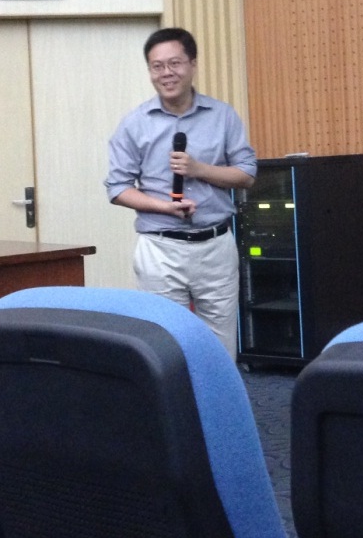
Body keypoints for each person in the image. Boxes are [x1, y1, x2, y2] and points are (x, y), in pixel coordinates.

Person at [105, 27, 256, 358]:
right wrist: (164, 207)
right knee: (165, 341)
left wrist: (199, 169)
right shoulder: (134, 123)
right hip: (160, 247)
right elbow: (117, 188)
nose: (166, 73)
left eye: (174, 63)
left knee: (219, 344)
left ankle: (215, 394)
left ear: (192, 64)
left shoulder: (222, 116)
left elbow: (246, 174)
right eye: (157, 66)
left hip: (215, 244)